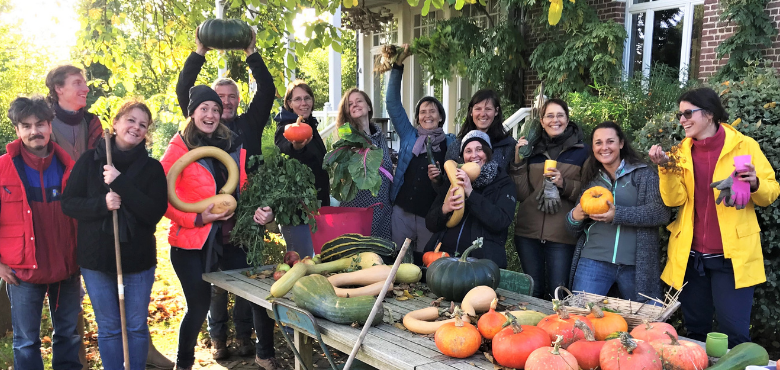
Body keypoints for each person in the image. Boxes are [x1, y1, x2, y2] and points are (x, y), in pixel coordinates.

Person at [46, 64, 173, 368]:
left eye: (143, 125)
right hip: (97, 260)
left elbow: (154, 213)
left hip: (138, 261)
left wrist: (120, 183)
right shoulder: (91, 161)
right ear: (115, 123)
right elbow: (69, 204)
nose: (136, 127)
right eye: (131, 120)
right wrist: (102, 204)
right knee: (110, 328)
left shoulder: (153, 168)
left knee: (136, 326)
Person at [648, 87, 779, 347]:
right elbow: (674, 200)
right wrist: (665, 168)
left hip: (732, 259)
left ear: (709, 114)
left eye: (688, 113)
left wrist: (754, 184)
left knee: (735, 336)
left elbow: (770, 193)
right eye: (680, 115)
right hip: (692, 257)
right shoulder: (679, 153)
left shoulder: (745, 146)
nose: (682, 120)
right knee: (695, 333)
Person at [161, 85, 278, 370]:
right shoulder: (178, 148)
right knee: (198, 306)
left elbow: (243, 190)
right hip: (192, 242)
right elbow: (163, 199)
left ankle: (266, 356)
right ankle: (184, 363)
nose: (211, 114)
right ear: (192, 113)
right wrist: (199, 218)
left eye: (215, 109)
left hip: (233, 237)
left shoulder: (232, 144)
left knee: (257, 294)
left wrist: (259, 212)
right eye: (204, 108)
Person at [1, 95, 80, 370]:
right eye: (26, 125)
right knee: (26, 342)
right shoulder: (2, 169)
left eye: (40, 124)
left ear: (50, 125)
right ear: (17, 130)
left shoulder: (70, 166)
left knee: (69, 336)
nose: (34, 131)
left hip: (67, 267)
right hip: (22, 272)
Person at [566, 121, 670, 302]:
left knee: (649, 322)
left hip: (636, 265)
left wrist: (618, 215)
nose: (604, 147)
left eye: (610, 141)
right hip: (593, 261)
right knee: (580, 317)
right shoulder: (592, 179)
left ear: (621, 143)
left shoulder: (643, 174)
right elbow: (572, 229)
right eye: (598, 143)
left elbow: (660, 212)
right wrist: (575, 216)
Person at [510, 98, 588, 299]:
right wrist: (518, 161)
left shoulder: (582, 152)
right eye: (549, 116)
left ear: (568, 119)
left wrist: (564, 184)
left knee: (558, 294)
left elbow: (589, 192)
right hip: (528, 233)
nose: (555, 120)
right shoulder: (532, 150)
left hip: (562, 235)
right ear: (542, 122)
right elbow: (522, 194)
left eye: (560, 115)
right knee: (532, 293)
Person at [385, 45, 455, 264]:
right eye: (423, 112)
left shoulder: (451, 143)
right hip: (402, 212)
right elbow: (392, 104)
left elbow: (454, 179)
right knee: (398, 263)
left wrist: (440, 179)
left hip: (430, 216)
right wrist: (397, 67)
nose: (427, 115)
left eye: (432, 111)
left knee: (426, 264)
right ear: (417, 119)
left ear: (440, 117)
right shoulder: (409, 136)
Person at [423, 131, 517, 268]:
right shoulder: (453, 179)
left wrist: (470, 192)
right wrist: (444, 210)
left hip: (481, 266)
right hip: (444, 260)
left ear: (488, 153)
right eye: (468, 151)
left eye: (479, 149)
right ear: (462, 157)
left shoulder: (504, 183)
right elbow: (430, 224)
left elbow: (500, 221)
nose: (474, 155)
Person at [273, 80, 329, 257]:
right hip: (296, 212)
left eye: (307, 98)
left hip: (315, 208)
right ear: (289, 103)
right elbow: (285, 148)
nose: (303, 103)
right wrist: (296, 147)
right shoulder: (285, 127)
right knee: (300, 263)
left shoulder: (311, 124)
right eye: (297, 99)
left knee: (314, 263)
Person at [336, 88, 394, 241]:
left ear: (368, 106)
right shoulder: (347, 139)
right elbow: (343, 174)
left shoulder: (379, 136)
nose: (355, 105)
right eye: (350, 104)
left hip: (382, 209)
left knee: (380, 256)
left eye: (359, 101)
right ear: (347, 112)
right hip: (359, 209)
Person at [445, 90, 516, 171]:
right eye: (478, 109)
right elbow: (447, 181)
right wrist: (437, 180)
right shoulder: (456, 146)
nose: (482, 114)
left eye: (488, 109)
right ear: (471, 112)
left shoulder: (508, 145)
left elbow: (516, 179)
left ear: (496, 111)